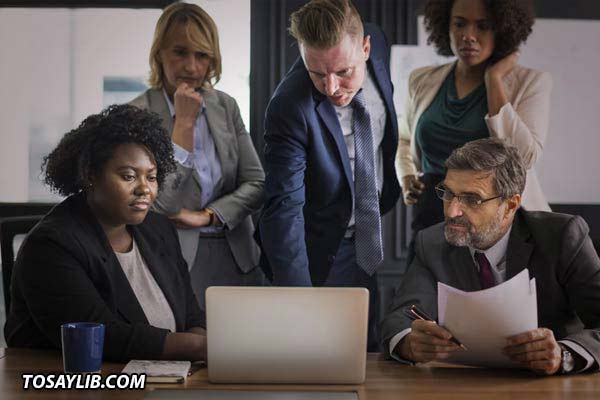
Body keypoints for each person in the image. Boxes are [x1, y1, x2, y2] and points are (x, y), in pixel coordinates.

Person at [5, 105, 207, 362]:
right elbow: (102, 338)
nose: (144, 189)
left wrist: (201, 353)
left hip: (163, 380)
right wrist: (198, 348)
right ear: (91, 175)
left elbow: (191, 315)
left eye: (152, 177)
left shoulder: (159, 230)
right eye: (129, 176)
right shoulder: (51, 245)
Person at [381, 138, 600, 375]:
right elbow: (399, 319)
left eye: (472, 199)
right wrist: (409, 343)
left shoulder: (562, 237)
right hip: (461, 385)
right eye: (448, 193)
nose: (452, 211)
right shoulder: (432, 243)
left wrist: (564, 354)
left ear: (510, 205)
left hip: (549, 386)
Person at [259, 0, 400, 351]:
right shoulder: (289, 106)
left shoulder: (378, 42)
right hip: (316, 253)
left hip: (367, 238)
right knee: (313, 358)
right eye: (317, 74)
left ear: (366, 48)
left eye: (344, 72)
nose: (332, 87)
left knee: (363, 353)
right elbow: (283, 208)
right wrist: (300, 301)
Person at [130, 2, 265, 310]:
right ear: (159, 53)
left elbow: (256, 183)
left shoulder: (225, 106)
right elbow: (161, 203)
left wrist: (208, 215)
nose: (191, 66)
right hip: (174, 259)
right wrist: (185, 125)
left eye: (201, 55)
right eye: (180, 52)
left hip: (238, 255)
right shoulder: (137, 114)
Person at [397, 0, 552, 263]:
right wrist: (407, 175)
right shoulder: (422, 80)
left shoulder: (531, 82)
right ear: (445, 25)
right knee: (421, 300)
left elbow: (522, 159)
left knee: (484, 300)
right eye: (459, 23)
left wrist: (494, 81)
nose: (468, 35)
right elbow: (405, 139)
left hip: (492, 217)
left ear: (502, 30)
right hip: (433, 211)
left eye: (483, 26)